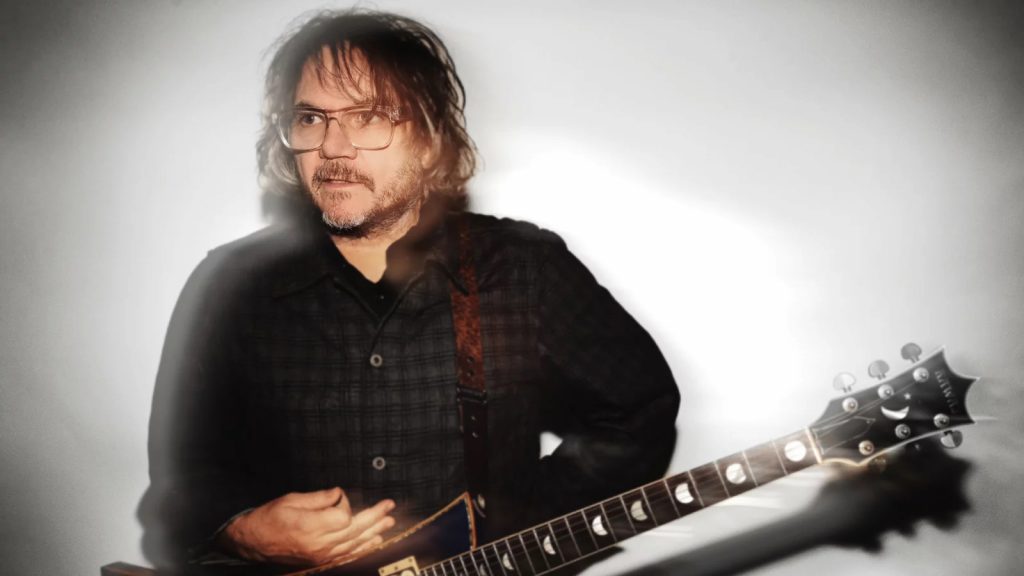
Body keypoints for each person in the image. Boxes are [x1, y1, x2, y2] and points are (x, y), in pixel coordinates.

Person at [138, 8, 680, 573]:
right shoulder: (231, 285)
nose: (333, 147)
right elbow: (182, 474)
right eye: (310, 118)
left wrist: (516, 530)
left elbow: (639, 412)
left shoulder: (524, 268)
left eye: (368, 116)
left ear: (428, 139)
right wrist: (242, 530)